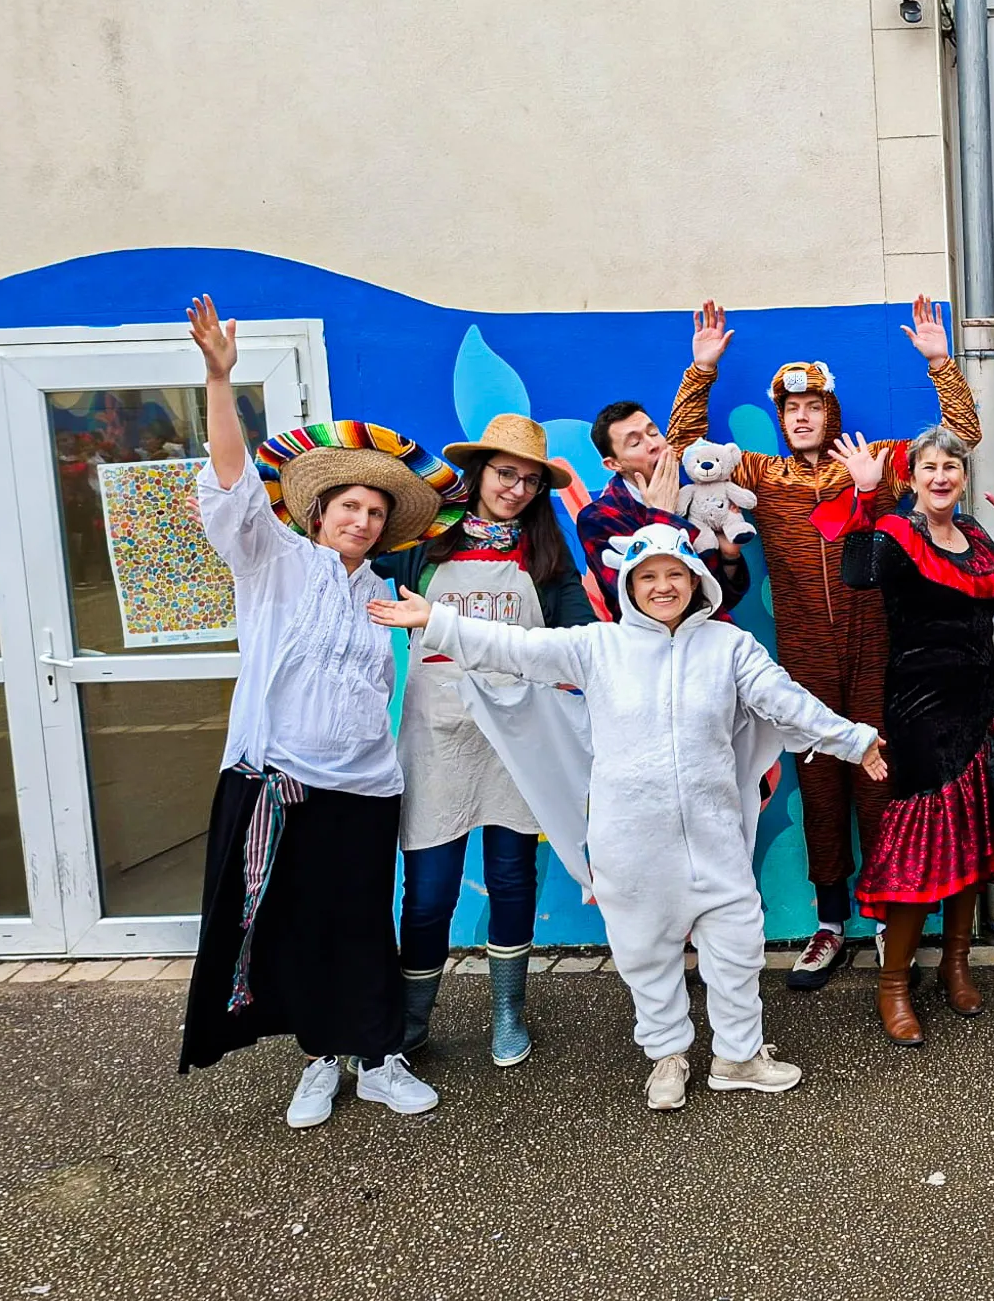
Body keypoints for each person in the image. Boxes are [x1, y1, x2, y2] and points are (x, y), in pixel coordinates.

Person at [371, 522, 886, 1111]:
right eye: (648, 577)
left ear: (696, 581)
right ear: (630, 587)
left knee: (738, 947)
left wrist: (852, 739)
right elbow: (517, 647)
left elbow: (784, 699)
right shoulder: (598, 646)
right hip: (630, 843)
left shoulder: (730, 647)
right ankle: (667, 1055)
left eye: (675, 574)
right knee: (645, 953)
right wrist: (437, 621)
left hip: (714, 836)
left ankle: (738, 1056)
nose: (663, 587)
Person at [177, 296, 465, 1128]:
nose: (362, 520)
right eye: (350, 507)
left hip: (365, 788)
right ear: (317, 511)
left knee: (362, 924)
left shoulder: (383, 594)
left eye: (375, 513)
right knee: (297, 927)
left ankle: (377, 1057)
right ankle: (319, 1060)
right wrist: (220, 380)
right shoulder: (271, 562)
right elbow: (231, 484)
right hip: (281, 782)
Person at [669, 297, 981, 989]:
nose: (802, 417)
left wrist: (939, 362)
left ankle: (889, 920)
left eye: (812, 407)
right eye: (791, 410)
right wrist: (701, 371)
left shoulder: (873, 463)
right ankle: (831, 922)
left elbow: (961, 437)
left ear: (829, 412)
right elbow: (687, 454)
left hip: (878, 650)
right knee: (819, 787)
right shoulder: (762, 474)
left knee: (880, 782)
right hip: (805, 656)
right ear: (781, 420)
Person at [372, 414, 596, 1069]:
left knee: (511, 878)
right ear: (477, 474)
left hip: (515, 745)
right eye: (505, 474)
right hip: (437, 740)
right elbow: (345, 548)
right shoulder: (422, 544)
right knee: (429, 893)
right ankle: (413, 1018)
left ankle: (507, 1011)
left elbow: (580, 643)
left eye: (530, 480)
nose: (516, 489)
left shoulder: (547, 558)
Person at [824, 425, 994, 1047]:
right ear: (913, 477)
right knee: (923, 847)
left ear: (963, 477)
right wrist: (867, 495)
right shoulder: (896, 532)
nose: (941, 477)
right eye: (930, 467)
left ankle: (955, 964)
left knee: (972, 837)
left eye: (952, 467)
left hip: (980, 705)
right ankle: (893, 984)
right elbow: (857, 574)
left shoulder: (974, 535)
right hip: (920, 711)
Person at [576, 398, 749, 618]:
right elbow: (642, 601)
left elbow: (721, 600)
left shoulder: (692, 497)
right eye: (635, 443)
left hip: (711, 630)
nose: (653, 444)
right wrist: (662, 517)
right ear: (614, 464)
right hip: (648, 637)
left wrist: (729, 557)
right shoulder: (598, 518)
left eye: (654, 432)